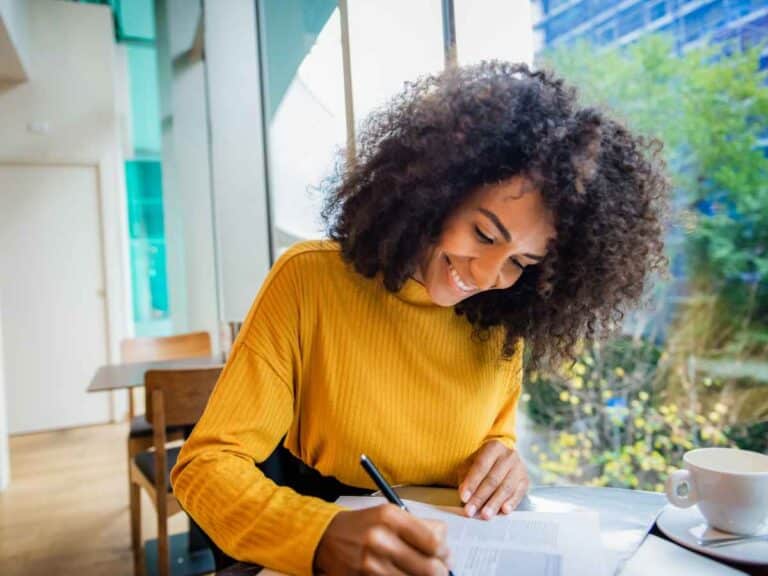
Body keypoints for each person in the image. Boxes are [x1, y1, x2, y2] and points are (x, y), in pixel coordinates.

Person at [171, 62, 667, 576]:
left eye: (522, 261)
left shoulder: (502, 318)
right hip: (321, 538)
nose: (488, 274)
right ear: (437, 193)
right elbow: (204, 467)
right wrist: (318, 535)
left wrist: (502, 461)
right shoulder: (308, 281)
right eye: (483, 233)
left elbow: (496, 434)